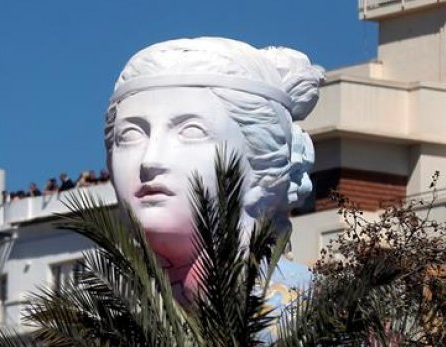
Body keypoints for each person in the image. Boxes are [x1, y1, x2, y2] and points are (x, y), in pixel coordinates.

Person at [105, 37, 322, 305]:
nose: (150, 160)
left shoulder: (312, 310)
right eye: (130, 135)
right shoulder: (104, 323)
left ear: (261, 164)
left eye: (191, 131)